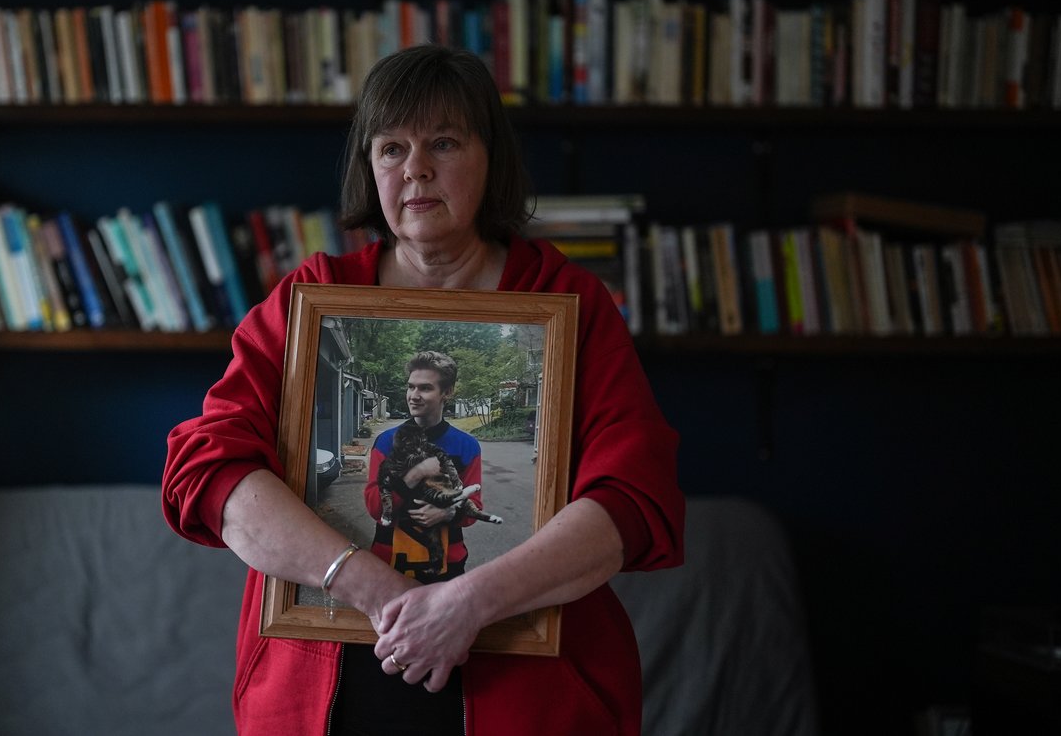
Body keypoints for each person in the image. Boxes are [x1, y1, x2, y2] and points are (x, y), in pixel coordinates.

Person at [162, 44, 684, 736]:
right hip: (324, 693)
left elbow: (632, 496)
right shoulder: (309, 300)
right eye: (391, 147)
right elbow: (207, 471)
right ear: (369, 166)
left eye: (443, 141)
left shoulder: (566, 301)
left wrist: (467, 603)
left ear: (489, 156)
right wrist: (370, 585)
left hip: (532, 697)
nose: (416, 168)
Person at [365, 351, 489, 581]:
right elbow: (375, 507)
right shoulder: (385, 442)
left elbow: (474, 509)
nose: (414, 395)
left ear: (447, 392)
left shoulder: (466, 446)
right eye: (411, 387)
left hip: (447, 563)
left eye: (425, 388)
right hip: (389, 560)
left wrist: (449, 512)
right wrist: (415, 474)